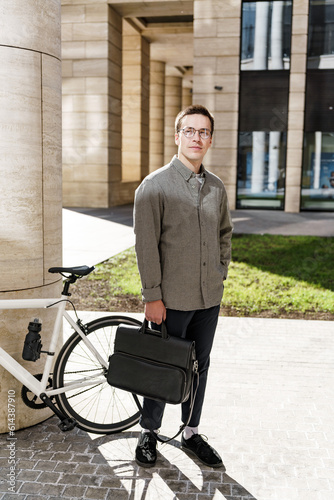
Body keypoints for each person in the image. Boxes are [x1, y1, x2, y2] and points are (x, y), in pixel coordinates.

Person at [133, 104, 233, 468]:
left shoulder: (217, 188)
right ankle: (149, 433)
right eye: (189, 131)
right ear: (177, 137)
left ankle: (191, 432)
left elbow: (225, 234)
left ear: (209, 140)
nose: (196, 138)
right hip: (169, 301)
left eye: (203, 132)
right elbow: (145, 246)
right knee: (163, 366)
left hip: (209, 298)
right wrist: (152, 297)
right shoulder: (154, 186)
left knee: (199, 366)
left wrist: (220, 271)